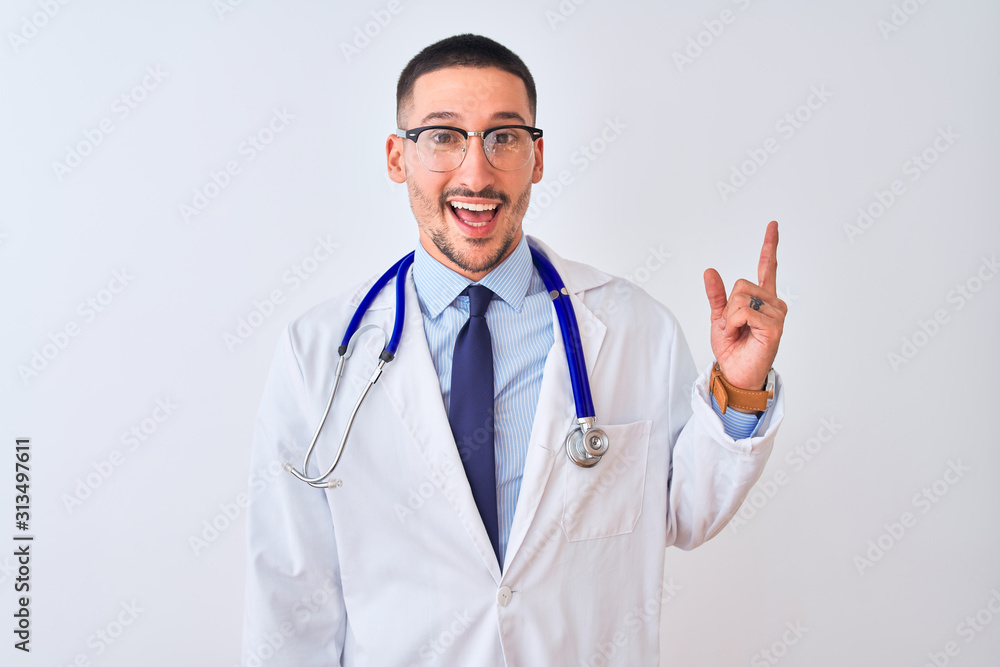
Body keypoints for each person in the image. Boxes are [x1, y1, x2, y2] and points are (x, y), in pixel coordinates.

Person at [243, 33, 786, 666]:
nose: (477, 172)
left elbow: (687, 513)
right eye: (443, 136)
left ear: (538, 156)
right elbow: (291, 591)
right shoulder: (319, 353)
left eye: (503, 137)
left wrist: (740, 388)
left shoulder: (632, 326)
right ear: (398, 157)